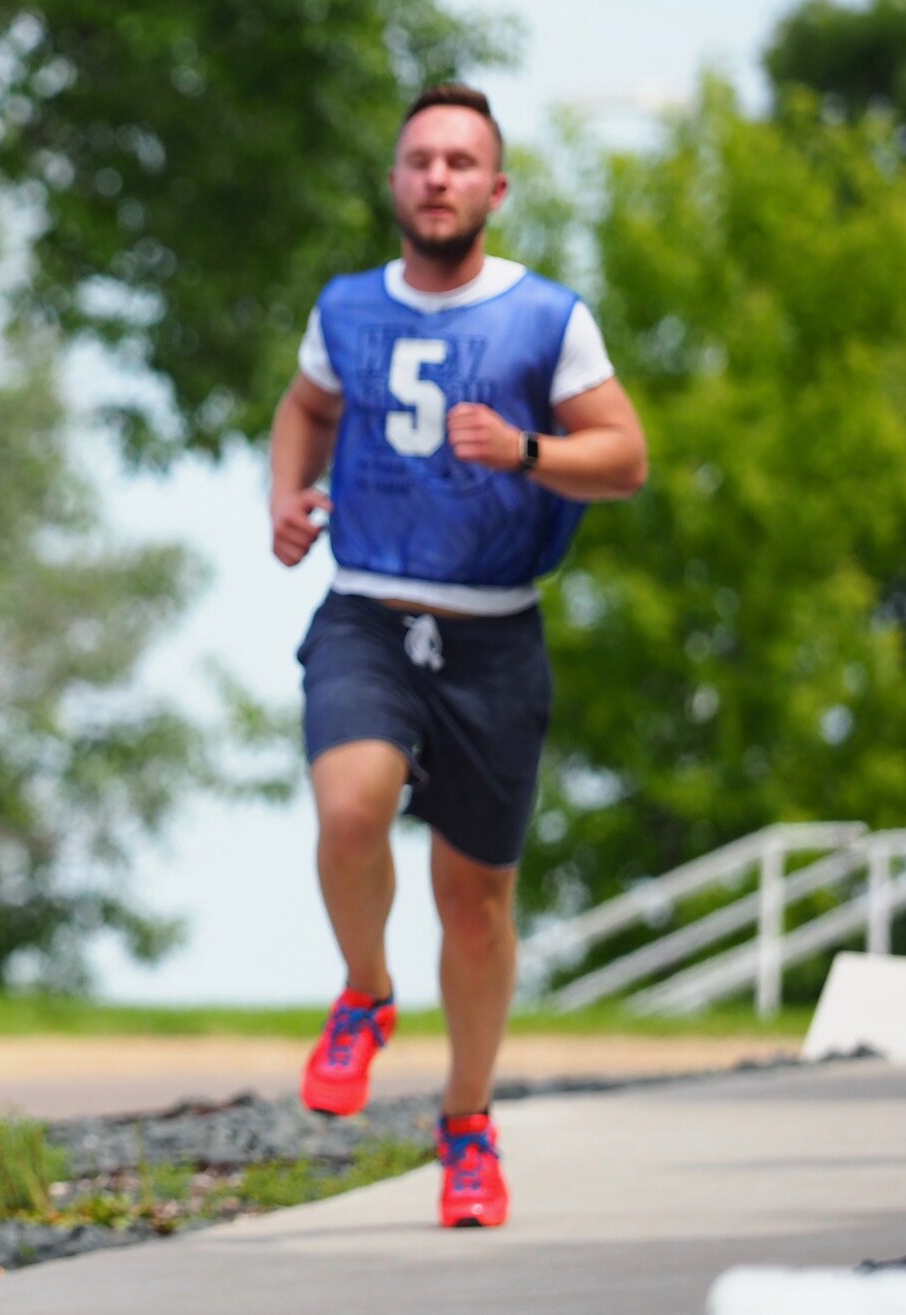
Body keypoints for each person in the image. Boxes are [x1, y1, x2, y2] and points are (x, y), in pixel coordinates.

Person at [268, 85, 647, 1229]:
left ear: (495, 188)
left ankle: (467, 1124)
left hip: (493, 631)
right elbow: (302, 407)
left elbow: (623, 455)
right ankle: (365, 992)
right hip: (368, 610)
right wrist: (284, 501)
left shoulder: (544, 318)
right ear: (394, 182)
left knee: (474, 900)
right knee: (349, 806)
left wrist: (528, 447)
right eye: (419, 159)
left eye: (460, 161)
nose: (436, 177)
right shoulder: (344, 306)